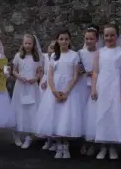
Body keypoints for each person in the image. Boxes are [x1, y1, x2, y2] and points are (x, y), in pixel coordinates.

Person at [34, 29, 83, 159]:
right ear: (57, 40)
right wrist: (54, 91)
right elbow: (49, 76)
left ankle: (65, 146)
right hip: (54, 90)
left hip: (68, 90)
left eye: (66, 39)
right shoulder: (54, 56)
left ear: (70, 40)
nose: (64, 41)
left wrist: (66, 92)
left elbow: (75, 76)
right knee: (55, 117)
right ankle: (58, 144)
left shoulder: (74, 55)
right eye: (61, 39)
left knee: (66, 118)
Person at [90, 23, 121, 160]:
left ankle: (113, 146)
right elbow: (95, 72)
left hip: (116, 87)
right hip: (102, 86)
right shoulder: (99, 52)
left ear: (117, 36)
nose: (109, 38)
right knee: (102, 115)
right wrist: (94, 88)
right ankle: (103, 146)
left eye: (112, 35)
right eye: (106, 35)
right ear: (103, 37)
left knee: (114, 115)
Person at [11, 34, 43, 149]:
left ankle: (29, 136)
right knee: (19, 109)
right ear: (23, 44)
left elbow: (40, 72)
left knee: (31, 110)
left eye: (30, 43)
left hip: (32, 87)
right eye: (26, 43)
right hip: (20, 86)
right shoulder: (18, 56)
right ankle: (16, 133)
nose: (28, 45)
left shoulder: (37, 57)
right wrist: (19, 77)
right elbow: (13, 71)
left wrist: (35, 79)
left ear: (33, 44)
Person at [79, 27, 99, 156]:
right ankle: (83, 140)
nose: (89, 41)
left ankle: (92, 142)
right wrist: (83, 71)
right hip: (82, 85)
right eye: (86, 38)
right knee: (82, 112)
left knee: (92, 113)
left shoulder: (100, 53)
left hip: (95, 84)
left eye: (91, 38)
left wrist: (94, 73)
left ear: (96, 39)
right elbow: (76, 69)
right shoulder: (80, 53)